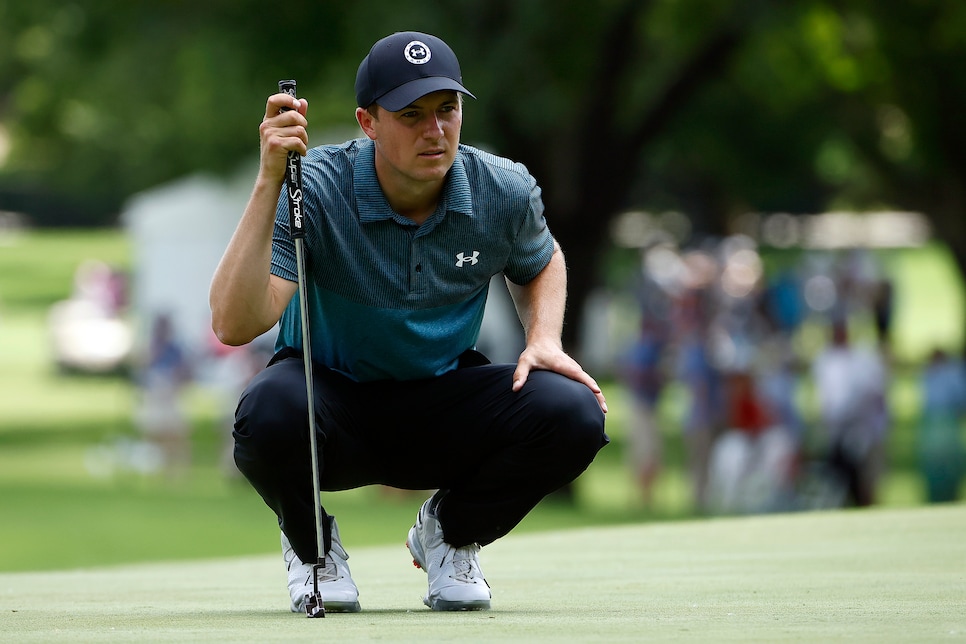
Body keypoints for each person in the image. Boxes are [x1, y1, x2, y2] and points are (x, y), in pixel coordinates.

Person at [209, 31, 609, 614]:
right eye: (411, 114)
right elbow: (234, 324)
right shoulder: (313, 187)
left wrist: (543, 338)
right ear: (368, 122)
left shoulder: (502, 188)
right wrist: (271, 179)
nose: (436, 130)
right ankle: (312, 548)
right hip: (332, 404)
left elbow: (541, 258)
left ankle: (448, 533)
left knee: (573, 410)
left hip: (443, 401)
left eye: (447, 110)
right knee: (266, 412)